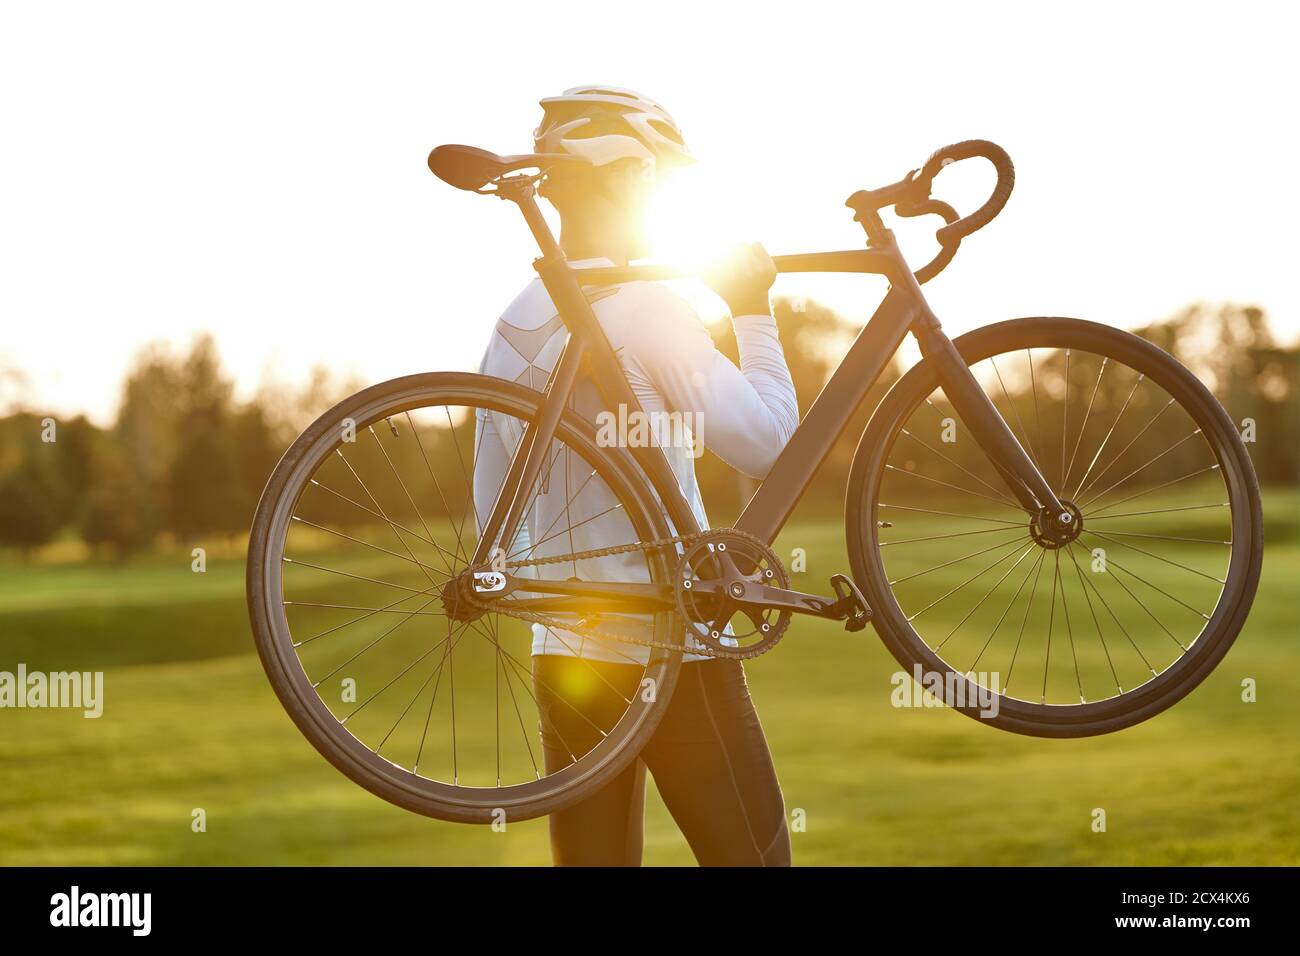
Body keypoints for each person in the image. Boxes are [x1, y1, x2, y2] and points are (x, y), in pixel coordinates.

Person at [475, 86, 798, 866]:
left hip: (565, 652)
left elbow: (493, 509)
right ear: (627, 178)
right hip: (672, 647)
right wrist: (753, 311)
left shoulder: (514, 320)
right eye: (654, 179)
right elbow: (770, 446)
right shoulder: (647, 307)